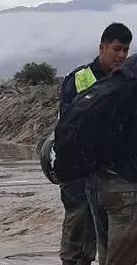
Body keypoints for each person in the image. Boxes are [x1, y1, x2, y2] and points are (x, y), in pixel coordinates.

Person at [58, 22, 132, 265]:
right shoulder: (80, 79)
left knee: (108, 249)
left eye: (126, 50)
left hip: (108, 176)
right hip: (81, 178)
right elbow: (67, 127)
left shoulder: (125, 82)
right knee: (78, 249)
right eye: (117, 49)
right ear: (102, 48)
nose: (121, 55)